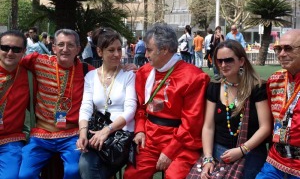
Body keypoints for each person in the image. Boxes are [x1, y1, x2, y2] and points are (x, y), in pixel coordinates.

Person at [124, 24, 210, 179]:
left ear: (164, 50)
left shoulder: (194, 77)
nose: (146, 55)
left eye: (149, 50)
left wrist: (170, 151)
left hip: (182, 142)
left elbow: (191, 123)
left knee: (174, 176)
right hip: (149, 139)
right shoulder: (144, 72)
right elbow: (140, 108)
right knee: (132, 175)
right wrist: (140, 130)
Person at [18, 29, 95, 179]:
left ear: (78, 49)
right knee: (25, 174)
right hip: (41, 135)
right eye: (61, 45)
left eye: (70, 45)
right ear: (53, 47)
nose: (65, 49)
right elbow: (11, 61)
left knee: (73, 171)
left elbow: (108, 75)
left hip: (72, 136)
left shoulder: (87, 71)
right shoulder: (38, 61)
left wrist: (126, 70)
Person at [199, 40, 272, 179]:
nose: (223, 65)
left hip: (251, 152)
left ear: (242, 61)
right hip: (218, 151)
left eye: (229, 60)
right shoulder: (214, 88)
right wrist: (208, 158)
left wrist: (241, 150)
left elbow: (265, 127)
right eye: (219, 61)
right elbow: (208, 127)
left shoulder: (257, 87)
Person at [77, 28, 137, 179]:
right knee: (85, 166)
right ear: (99, 51)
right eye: (111, 50)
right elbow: (85, 107)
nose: (117, 54)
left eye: (119, 49)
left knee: (93, 172)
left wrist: (107, 131)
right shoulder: (91, 76)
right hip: (97, 133)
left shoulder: (128, 75)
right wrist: (83, 133)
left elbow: (130, 110)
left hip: (121, 135)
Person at [256, 29, 300, 179]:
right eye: (278, 49)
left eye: (288, 48)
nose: (281, 54)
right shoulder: (275, 80)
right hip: (276, 159)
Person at [0, 30, 29, 179]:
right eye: (5, 48)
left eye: (16, 49)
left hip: (10, 140)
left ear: (23, 51)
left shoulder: (29, 76)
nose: (10, 53)